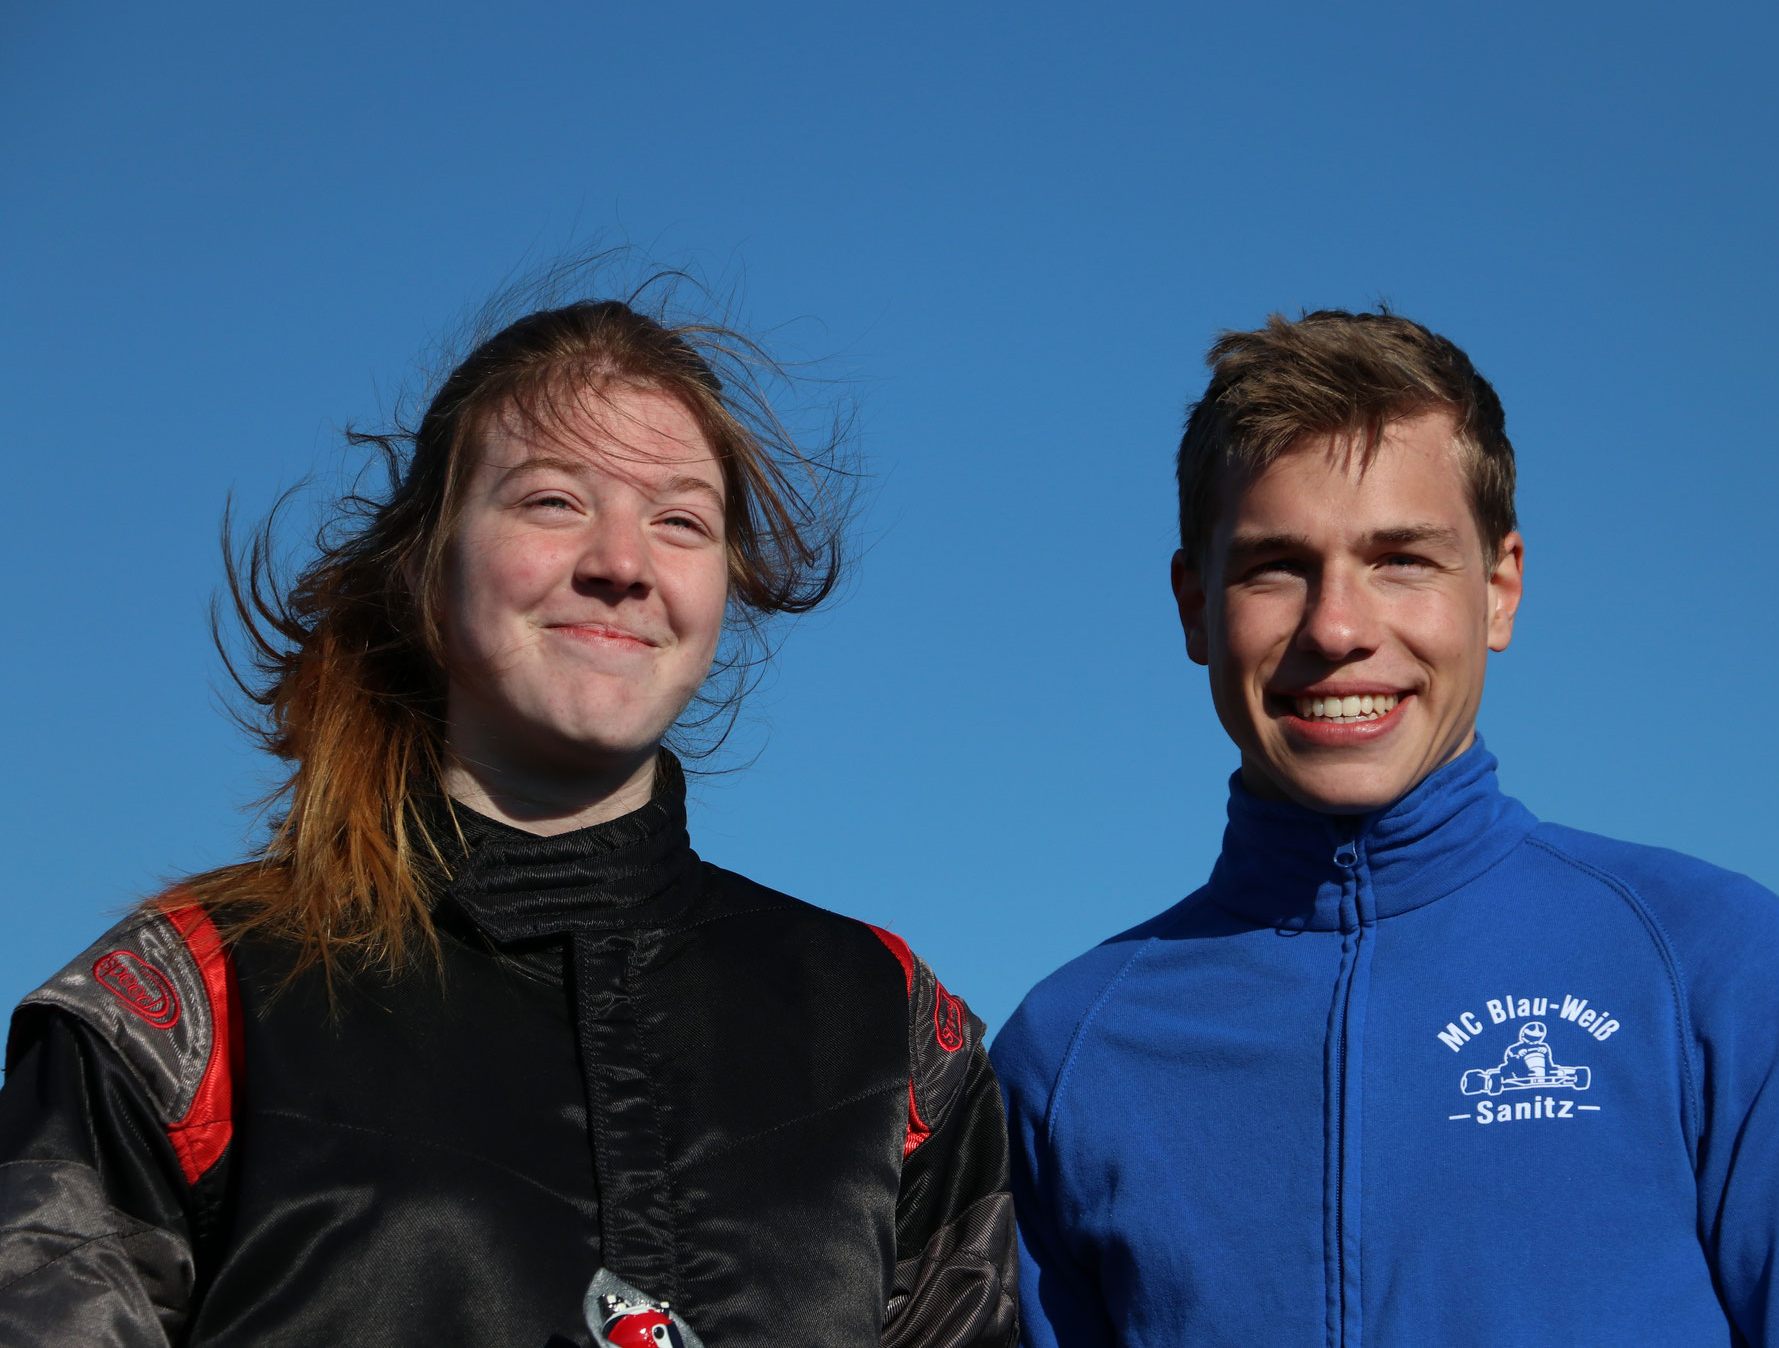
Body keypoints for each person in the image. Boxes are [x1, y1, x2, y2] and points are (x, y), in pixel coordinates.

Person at [0, 294, 1018, 1346]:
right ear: (425, 570)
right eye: (551, 503)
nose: (620, 563)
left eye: (678, 520)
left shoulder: (887, 1029)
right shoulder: (187, 1008)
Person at [989, 309, 1779, 1346]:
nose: (1336, 627)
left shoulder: (1709, 965)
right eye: (1274, 566)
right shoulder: (1067, 1056)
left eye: (1401, 560)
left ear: (1498, 590)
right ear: (1195, 607)